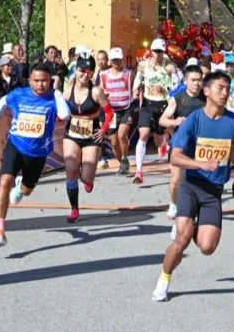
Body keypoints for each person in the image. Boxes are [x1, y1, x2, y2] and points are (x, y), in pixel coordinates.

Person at [152, 70, 234, 301]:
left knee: (207, 247)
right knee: (182, 239)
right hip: (191, 186)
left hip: (214, 193)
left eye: (228, 88)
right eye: (220, 88)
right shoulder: (194, 120)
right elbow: (175, 157)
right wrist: (200, 164)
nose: (225, 93)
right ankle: (163, 280)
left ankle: (191, 224)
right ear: (206, 91)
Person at [0, 63, 70, 248]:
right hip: (15, 145)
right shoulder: (20, 94)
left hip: (37, 154)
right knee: (4, 182)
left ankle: (21, 188)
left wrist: (58, 92)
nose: (40, 85)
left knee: (27, 191)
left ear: (50, 81)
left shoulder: (54, 98)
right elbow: (2, 102)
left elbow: (65, 115)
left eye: (44, 81)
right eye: (36, 81)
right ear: (30, 80)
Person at [61, 55, 112, 223]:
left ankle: (88, 181)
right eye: (82, 70)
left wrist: (103, 130)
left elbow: (109, 112)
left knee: (86, 177)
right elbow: (59, 112)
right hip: (72, 135)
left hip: (91, 136)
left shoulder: (96, 91)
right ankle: (74, 209)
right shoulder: (67, 91)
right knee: (71, 169)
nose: (85, 74)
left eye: (89, 72)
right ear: (75, 70)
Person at [159, 65, 206, 220]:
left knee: (199, 180)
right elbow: (163, 120)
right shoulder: (178, 98)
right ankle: (173, 204)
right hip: (180, 144)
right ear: (185, 80)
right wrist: (176, 122)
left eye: (199, 80)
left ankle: (196, 206)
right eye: (193, 80)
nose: (196, 84)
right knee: (176, 179)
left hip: (200, 145)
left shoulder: (207, 99)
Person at [131, 39, 173, 184]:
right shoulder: (143, 65)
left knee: (159, 138)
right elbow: (138, 78)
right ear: (151, 51)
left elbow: (176, 86)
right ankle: (139, 172)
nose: (157, 55)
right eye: (155, 51)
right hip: (148, 103)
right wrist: (135, 88)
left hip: (162, 104)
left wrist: (164, 88)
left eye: (160, 52)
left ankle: (164, 143)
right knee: (144, 133)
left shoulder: (168, 67)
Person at [100, 47, 135, 175]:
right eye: (114, 60)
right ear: (110, 60)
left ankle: (125, 157)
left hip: (126, 108)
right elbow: (99, 90)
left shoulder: (129, 73)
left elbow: (137, 86)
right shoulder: (103, 75)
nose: (116, 62)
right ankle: (122, 164)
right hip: (111, 112)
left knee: (122, 135)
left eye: (118, 59)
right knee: (114, 142)